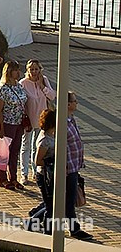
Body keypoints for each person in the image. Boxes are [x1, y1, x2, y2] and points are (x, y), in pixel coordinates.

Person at [0, 60, 28, 190]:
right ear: (9, 72)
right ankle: (2, 178)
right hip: (8, 123)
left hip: (19, 123)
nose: (18, 72)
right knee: (4, 152)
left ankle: (13, 177)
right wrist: (0, 127)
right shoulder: (2, 89)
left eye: (18, 70)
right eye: (15, 70)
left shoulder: (19, 86)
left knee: (15, 151)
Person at [20, 59, 56, 184]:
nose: (34, 72)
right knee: (26, 146)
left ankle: (36, 172)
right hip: (28, 120)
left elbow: (52, 96)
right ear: (27, 70)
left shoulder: (44, 80)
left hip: (42, 121)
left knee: (37, 146)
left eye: (36, 69)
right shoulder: (23, 83)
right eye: (31, 69)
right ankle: (24, 174)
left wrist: (42, 86)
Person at [65, 92, 93, 240]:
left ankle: (34, 218)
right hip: (67, 168)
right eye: (75, 101)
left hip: (74, 166)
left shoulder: (71, 119)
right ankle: (74, 229)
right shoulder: (61, 122)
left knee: (61, 199)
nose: (77, 103)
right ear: (68, 104)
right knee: (68, 200)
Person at [30, 109, 56, 235]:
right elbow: (38, 161)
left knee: (50, 203)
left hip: (50, 175)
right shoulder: (45, 139)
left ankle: (34, 219)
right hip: (45, 176)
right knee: (50, 205)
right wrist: (52, 162)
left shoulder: (52, 135)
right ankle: (45, 229)